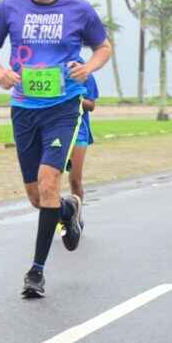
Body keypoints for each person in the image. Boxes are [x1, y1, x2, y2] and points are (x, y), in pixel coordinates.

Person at [0, 0, 111, 297]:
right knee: (38, 197)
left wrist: (88, 68)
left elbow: (104, 47)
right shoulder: (11, 6)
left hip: (63, 108)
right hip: (23, 109)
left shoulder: (78, 9)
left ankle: (35, 272)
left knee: (49, 181)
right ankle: (69, 210)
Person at [68, 73, 99, 230]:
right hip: (54, 130)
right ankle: (60, 213)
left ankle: (76, 217)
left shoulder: (85, 74)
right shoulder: (51, 68)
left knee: (75, 179)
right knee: (49, 179)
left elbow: (91, 105)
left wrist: (73, 98)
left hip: (79, 130)